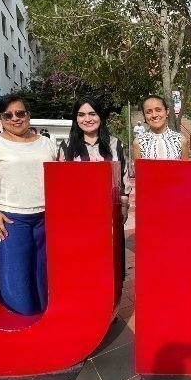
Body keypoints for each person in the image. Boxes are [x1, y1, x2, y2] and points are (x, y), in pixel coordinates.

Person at [0, 94, 58, 315]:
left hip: (45, 217)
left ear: (28, 115)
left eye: (20, 113)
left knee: (43, 272)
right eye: (8, 115)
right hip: (11, 219)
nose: (15, 118)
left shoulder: (47, 144)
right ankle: (20, 324)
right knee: (15, 277)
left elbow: (58, 179)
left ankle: (44, 320)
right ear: (0, 119)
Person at [58, 97, 132, 281]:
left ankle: (111, 305)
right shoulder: (66, 148)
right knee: (83, 262)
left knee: (110, 265)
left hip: (109, 215)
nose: (87, 119)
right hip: (79, 217)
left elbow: (123, 178)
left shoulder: (115, 144)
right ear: (75, 119)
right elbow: (60, 184)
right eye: (81, 114)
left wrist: (124, 206)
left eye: (92, 113)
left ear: (100, 117)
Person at [133, 96, 189, 160]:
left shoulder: (181, 140)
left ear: (167, 111)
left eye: (158, 110)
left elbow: (185, 169)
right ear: (144, 116)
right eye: (148, 112)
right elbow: (138, 169)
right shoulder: (138, 142)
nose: (154, 115)